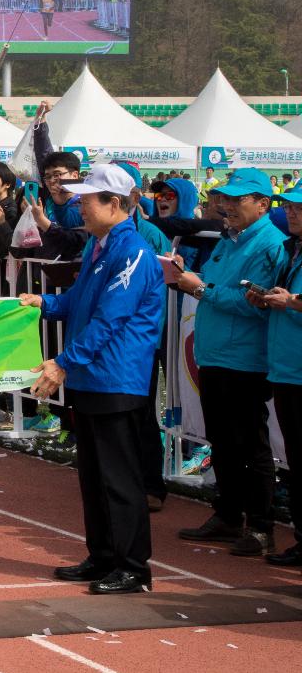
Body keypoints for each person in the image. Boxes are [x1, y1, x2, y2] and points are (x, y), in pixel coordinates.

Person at [19, 164, 166, 594]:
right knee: (93, 475)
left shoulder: (133, 252)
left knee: (119, 478)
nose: (80, 206)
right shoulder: (101, 247)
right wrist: (41, 302)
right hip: (91, 376)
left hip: (116, 378)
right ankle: (103, 556)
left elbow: (109, 320)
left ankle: (133, 568)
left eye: (87, 200)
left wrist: (62, 362)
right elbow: (80, 301)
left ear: (114, 204)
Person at [170, 169, 287, 556]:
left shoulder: (271, 244)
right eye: (225, 198)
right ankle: (228, 514)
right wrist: (187, 275)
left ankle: (260, 526)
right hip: (215, 355)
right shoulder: (229, 240)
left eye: (237, 200)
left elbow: (255, 304)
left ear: (262, 204)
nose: (226, 205)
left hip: (245, 360)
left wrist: (200, 288)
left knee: (250, 443)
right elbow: (217, 284)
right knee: (222, 440)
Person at [247, 186, 302, 567]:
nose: (292, 212)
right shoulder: (293, 248)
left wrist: (292, 302)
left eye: (299, 207)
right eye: (291, 205)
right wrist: (268, 298)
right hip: (286, 369)